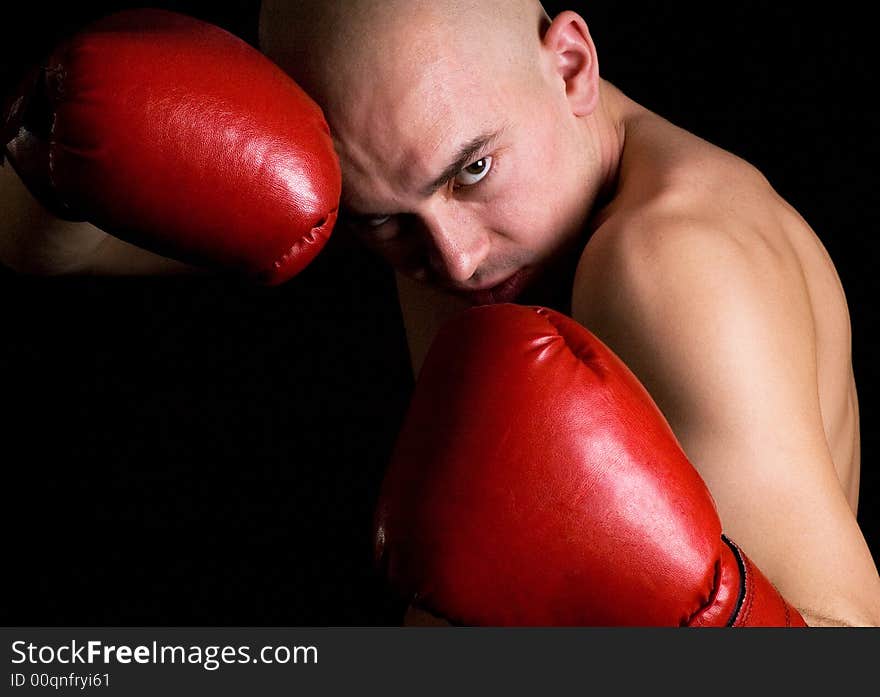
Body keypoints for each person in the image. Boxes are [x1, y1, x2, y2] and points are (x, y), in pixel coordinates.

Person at [2, 1, 878, 626]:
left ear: (571, 64)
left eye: (474, 171)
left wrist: (717, 618)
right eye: (381, 218)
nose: (453, 260)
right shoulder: (421, 173)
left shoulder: (671, 270)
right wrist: (64, 145)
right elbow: (38, 247)